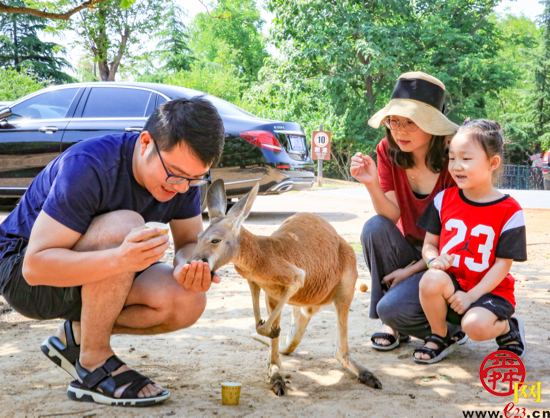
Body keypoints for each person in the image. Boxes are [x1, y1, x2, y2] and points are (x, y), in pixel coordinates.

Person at [0, 97, 225, 406]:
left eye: (195, 178)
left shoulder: (182, 180)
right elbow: (34, 267)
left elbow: (187, 243)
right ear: (146, 142)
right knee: (127, 225)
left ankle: (76, 337)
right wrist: (119, 259)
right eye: (174, 173)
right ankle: (92, 364)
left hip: (90, 272)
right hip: (24, 274)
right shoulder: (89, 165)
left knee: (187, 301)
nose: (182, 188)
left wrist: (190, 267)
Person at [350, 71, 468, 350]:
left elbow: (455, 242)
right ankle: (391, 323)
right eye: (394, 121)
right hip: (407, 249)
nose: (399, 131)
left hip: (446, 260)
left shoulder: (455, 159)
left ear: (434, 126)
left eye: (411, 123)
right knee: (374, 227)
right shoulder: (386, 151)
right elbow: (390, 217)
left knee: (390, 307)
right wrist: (371, 184)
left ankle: (448, 330)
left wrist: (411, 271)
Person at [414, 119, 527, 363]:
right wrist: (434, 261)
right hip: (453, 285)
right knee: (431, 278)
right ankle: (440, 336)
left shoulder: (510, 210)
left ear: (492, 163)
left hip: (490, 291)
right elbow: (429, 246)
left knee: (474, 327)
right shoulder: (443, 199)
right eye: (452, 158)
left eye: (466, 158)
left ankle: (507, 328)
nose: (456, 166)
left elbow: (502, 265)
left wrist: (471, 295)